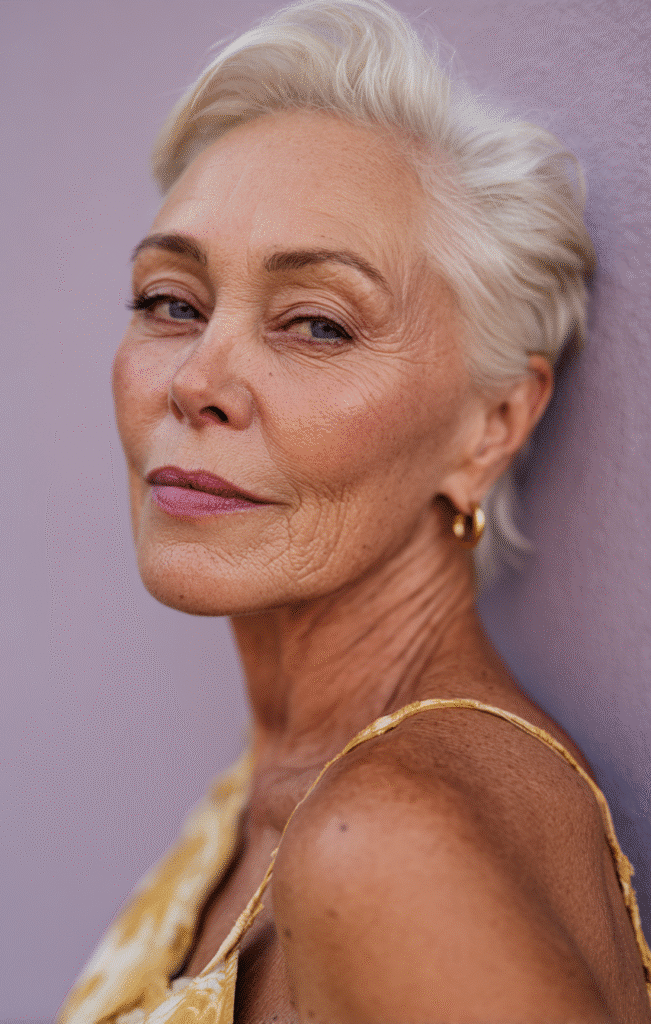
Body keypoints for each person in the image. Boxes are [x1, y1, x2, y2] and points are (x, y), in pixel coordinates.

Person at [57, 1, 651, 1021]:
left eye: (317, 324)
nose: (198, 379)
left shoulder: (382, 843)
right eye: (171, 302)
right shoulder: (278, 790)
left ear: (489, 427)